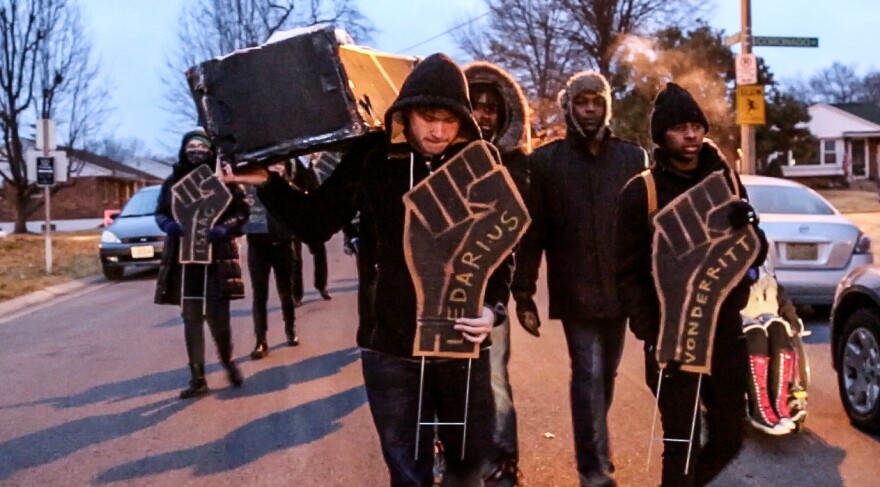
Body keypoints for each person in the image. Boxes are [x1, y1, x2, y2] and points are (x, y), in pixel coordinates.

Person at [227, 53, 509, 486]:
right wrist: (270, 184)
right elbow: (317, 221)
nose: (437, 131)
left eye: (449, 121)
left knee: (469, 465)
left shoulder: (478, 159)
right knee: (408, 474)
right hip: (391, 347)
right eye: (427, 117)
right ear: (406, 112)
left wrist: (493, 308)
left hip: (461, 346)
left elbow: (503, 243)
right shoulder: (373, 156)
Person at [614, 82, 768, 487]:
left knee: (729, 439)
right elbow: (626, 272)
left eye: (697, 126)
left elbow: (756, 253)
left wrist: (748, 222)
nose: (691, 135)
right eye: (680, 127)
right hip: (671, 338)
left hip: (724, 334)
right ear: (662, 134)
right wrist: (650, 331)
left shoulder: (728, 183)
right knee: (680, 443)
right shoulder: (641, 192)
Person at [511, 70, 647, 487]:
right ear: (569, 107)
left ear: (607, 106)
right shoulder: (546, 163)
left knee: (604, 378)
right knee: (586, 373)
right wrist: (524, 292)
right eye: (581, 102)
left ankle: (595, 447)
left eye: (596, 102)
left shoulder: (632, 158)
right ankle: (595, 471)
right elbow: (533, 233)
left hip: (622, 292)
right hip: (576, 291)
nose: (589, 110)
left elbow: (651, 227)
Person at [464, 61, 530, 487]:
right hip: (443, 287)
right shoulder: (438, 158)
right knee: (444, 377)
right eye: (476, 105)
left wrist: (515, 295)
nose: (483, 115)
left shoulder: (517, 164)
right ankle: (451, 453)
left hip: (492, 287)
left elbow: (521, 228)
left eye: (491, 108)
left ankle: (503, 459)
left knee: (494, 379)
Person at [154, 128, 249, 399]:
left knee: (218, 318)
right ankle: (197, 377)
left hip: (216, 258)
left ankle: (228, 361)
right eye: (191, 146)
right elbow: (160, 211)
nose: (196, 150)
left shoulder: (223, 179)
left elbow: (242, 211)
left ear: (210, 150)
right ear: (184, 149)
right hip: (186, 260)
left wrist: (226, 228)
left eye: (202, 146)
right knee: (191, 318)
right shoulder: (173, 181)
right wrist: (168, 224)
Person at [741, 258, 807, 435]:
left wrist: (791, 317)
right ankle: (760, 411)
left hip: (768, 313)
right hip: (739, 317)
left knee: (778, 329)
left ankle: (779, 407)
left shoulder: (764, 256)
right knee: (756, 333)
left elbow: (780, 292)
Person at [245, 162, 300, 360]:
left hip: (283, 246)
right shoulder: (251, 191)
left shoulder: (290, 189)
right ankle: (260, 340)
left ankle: (290, 329)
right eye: (272, 165)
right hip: (258, 247)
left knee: (286, 293)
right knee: (260, 296)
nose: (275, 168)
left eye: (279, 165)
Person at [292, 156, 331, 304]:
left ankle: (321, 285)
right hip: (295, 217)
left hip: (310, 216)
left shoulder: (310, 166)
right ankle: (296, 294)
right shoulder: (292, 165)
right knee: (295, 257)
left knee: (319, 251)